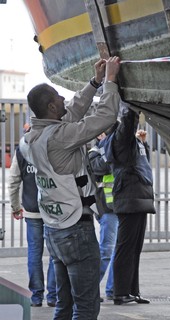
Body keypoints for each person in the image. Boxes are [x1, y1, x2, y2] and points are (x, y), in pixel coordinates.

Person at [19, 57, 121, 320]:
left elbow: (71, 112)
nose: (64, 99)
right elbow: (105, 116)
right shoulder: (60, 138)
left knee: (64, 306)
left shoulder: (31, 139)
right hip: (76, 230)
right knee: (86, 307)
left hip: (54, 228)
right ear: (52, 107)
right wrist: (110, 81)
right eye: (58, 97)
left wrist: (94, 83)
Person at [100, 102, 156, 305]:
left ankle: (132, 290)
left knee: (134, 247)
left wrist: (143, 143)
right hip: (130, 197)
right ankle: (121, 292)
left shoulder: (128, 142)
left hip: (138, 197)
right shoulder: (119, 140)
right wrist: (129, 104)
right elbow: (127, 123)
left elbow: (141, 162)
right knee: (126, 247)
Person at [8, 141, 56, 308]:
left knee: (34, 253)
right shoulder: (53, 145)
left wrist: (15, 206)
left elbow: (13, 180)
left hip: (31, 209)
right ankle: (53, 296)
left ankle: (36, 296)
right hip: (53, 210)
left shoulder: (22, 149)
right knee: (55, 254)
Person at [88, 132, 118, 302]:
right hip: (106, 208)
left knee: (118, 251)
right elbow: (104, 167)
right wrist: (110, 148)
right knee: (106, 250)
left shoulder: (117, 149)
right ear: (99, 135)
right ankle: (90, 289)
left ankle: (114, 289)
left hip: (122, 206)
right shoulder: (94, 152)